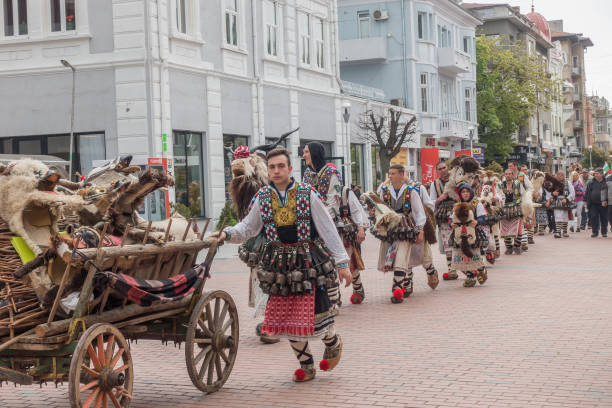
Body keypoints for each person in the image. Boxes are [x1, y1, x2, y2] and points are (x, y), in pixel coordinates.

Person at [212, 148, 352, 382]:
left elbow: (327, 229)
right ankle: (306, 366)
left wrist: (342, 263)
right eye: (272, 167)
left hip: (309, 262)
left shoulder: (308, 194)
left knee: (319, 314)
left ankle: (333, 341)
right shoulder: (263, 197)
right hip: (279, 265)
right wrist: (227, 234)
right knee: (286, 319)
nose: (276, 171)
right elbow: (248, 227)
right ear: (267, 170)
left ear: (289, 168)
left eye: (281, 166)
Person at [302, 142, 368, 306]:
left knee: (343, 259)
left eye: (306, 152)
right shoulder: (307, 175)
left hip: (335, 225)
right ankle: (334, 298)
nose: (303, 155)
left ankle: (356, 288)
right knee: (326, 261)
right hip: (314, 225)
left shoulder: (332, 173)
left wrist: (322, 216)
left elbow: (334, 199)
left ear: (315, 153)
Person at [374, 164, 426, 303]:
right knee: (392, 256)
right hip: (390, 229)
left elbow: (419, 212)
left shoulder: (411, 191)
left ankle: (397, 290)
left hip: (405, 228)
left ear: (402, 175)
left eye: (393, 173)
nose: (390, 176)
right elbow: (379, 210)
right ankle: (406, 282)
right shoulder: (384, 191)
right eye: (389, 173)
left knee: (402, 256)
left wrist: (420, 230)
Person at [449, 184, 488, 287]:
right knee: (463, 256)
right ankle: (470, 277)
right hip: (459, 234)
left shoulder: (475, 203)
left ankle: (481, 269)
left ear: (471, 192)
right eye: (463, 192)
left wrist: (477, 222)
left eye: (467, 191)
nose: (465, 194)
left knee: (474, 254)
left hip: (473, 234)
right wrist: (451, 224)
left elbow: (483, 217)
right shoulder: (457, 205)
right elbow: (451, 218)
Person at [429, 161, 458, 280]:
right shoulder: (434, 184)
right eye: (440, 169)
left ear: (448, 168)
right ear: (437, 171)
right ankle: (451, 269)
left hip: (458, 213)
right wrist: (440, 199)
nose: (443, 170)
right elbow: (431, 202)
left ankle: (467, 267)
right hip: (444, 216)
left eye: (444, 167)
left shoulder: (456, 179)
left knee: (462, 238)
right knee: (448, 242)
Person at [508, 161, 534, 249]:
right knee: (512, 222)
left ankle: (523, 242)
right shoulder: (507, 176)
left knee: (523, 220)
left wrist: (527, 198)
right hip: (511, 202)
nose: (509, 167)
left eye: (511, 166)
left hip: (522, 201)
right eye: (509, 166)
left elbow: (530, 188)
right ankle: (514, 241)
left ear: (515, 166)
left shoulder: (522, 176)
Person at [543, 172, 575, 238]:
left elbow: (572, 193)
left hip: (565, 201)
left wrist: (567, 199)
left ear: (563, 175)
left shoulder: (568, 183)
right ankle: (558, 232)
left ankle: (565, 232)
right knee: (557, 216)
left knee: (565, 217)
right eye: (558, 175)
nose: (560, 176)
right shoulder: (553, 183)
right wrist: (553, 193)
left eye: (561, 175)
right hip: (556, 201)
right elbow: (549, 193)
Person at [500, 168, 524, 254]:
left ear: (513, 175)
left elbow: (522, 195)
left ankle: (517, 246)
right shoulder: (501, 184)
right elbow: (499, 195)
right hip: (504, 209)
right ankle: (509, 248)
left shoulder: (518, 183)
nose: (508, 175)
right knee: (505, 229)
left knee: (517, 228)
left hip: (516, 208)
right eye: (506, 174)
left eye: (510, 174)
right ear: (504, 175)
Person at [585, 168, 608, 238]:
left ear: (602, 174)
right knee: (594, 217)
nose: (595, 175)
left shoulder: (606, 182)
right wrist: (586, 203)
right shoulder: (591, 183)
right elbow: (587, 193)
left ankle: (604, 232)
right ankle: (595, 232)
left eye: (597, 173)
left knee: (604, 218)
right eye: (595, 173)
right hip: (593, 204)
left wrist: (607, 201)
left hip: (604, 203)